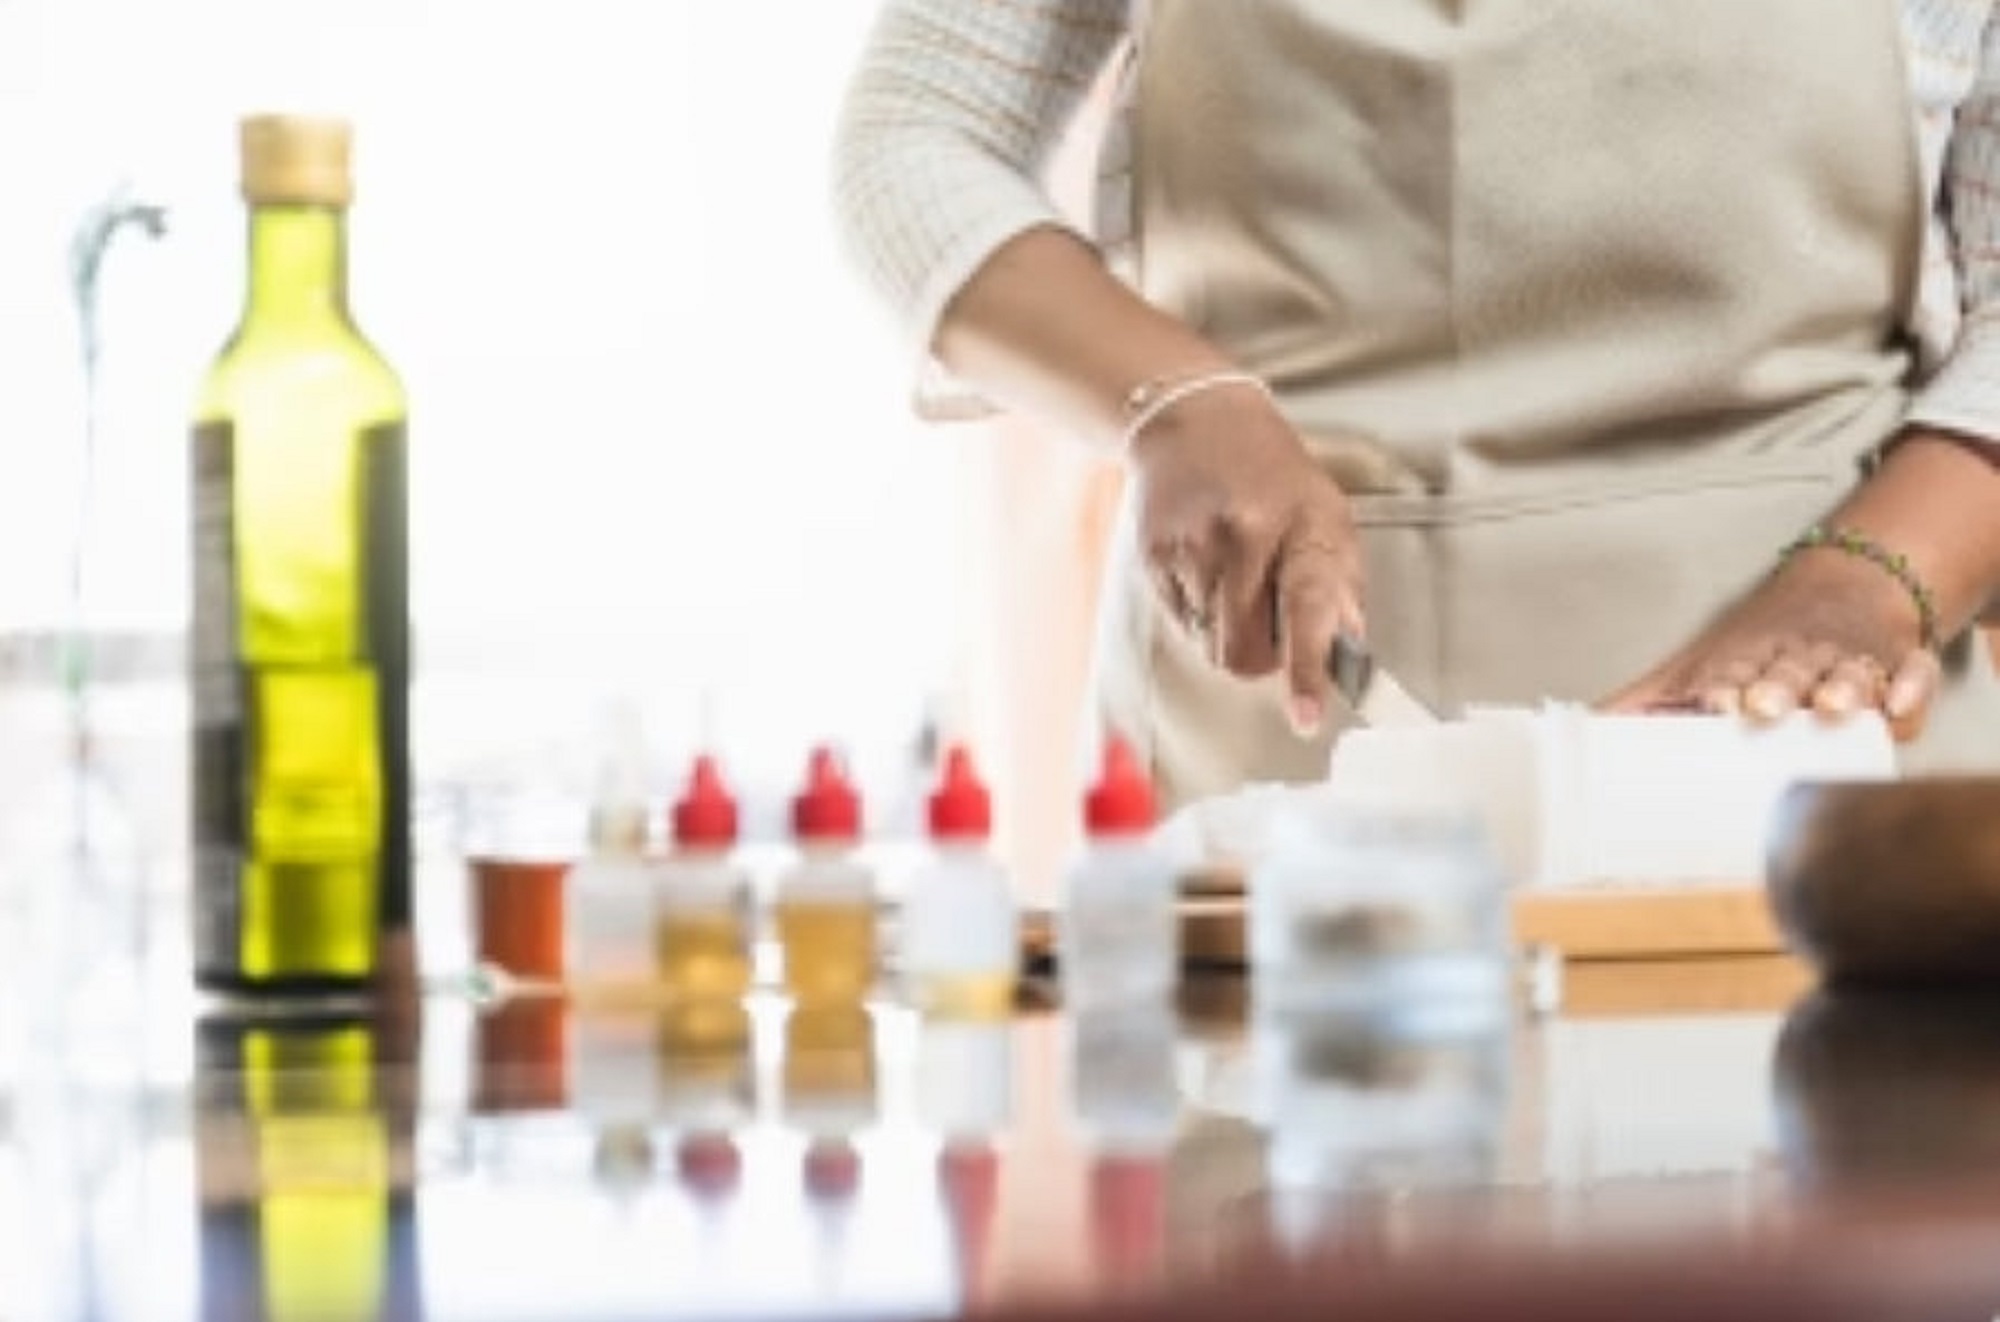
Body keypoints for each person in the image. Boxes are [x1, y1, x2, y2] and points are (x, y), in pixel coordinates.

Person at [831, 0, 2000, 812]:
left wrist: (1864, 583)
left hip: (1819, 760)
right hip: (1275, 773)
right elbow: (915, 137)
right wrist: (1176, 403)